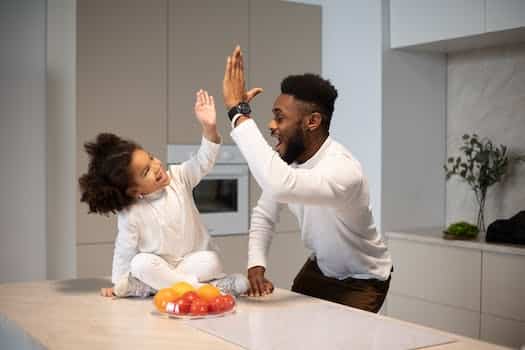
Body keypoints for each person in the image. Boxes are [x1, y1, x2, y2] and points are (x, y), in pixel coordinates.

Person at [222, 46, 393, 313]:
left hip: (362, 280)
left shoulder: (343, 171)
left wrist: (238, 112)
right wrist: (257, 264)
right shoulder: (288, 162)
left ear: (312, 121)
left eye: (280, 117)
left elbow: (279, 184)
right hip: (321, 267)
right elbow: (265, 213)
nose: (271, 125)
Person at [78, 90, 248, 298]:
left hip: (191, 263)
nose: (156, 166)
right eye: (146, 171)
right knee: (140, 263)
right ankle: (209, 290)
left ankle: (153, 288)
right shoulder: (131, 214)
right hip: (159, 267)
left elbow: (204, 160)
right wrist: (117, 284)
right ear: (134, 190)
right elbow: (124, 250)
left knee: (212, 260)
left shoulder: (179, 177)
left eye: (151, 158)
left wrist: (209, 127)